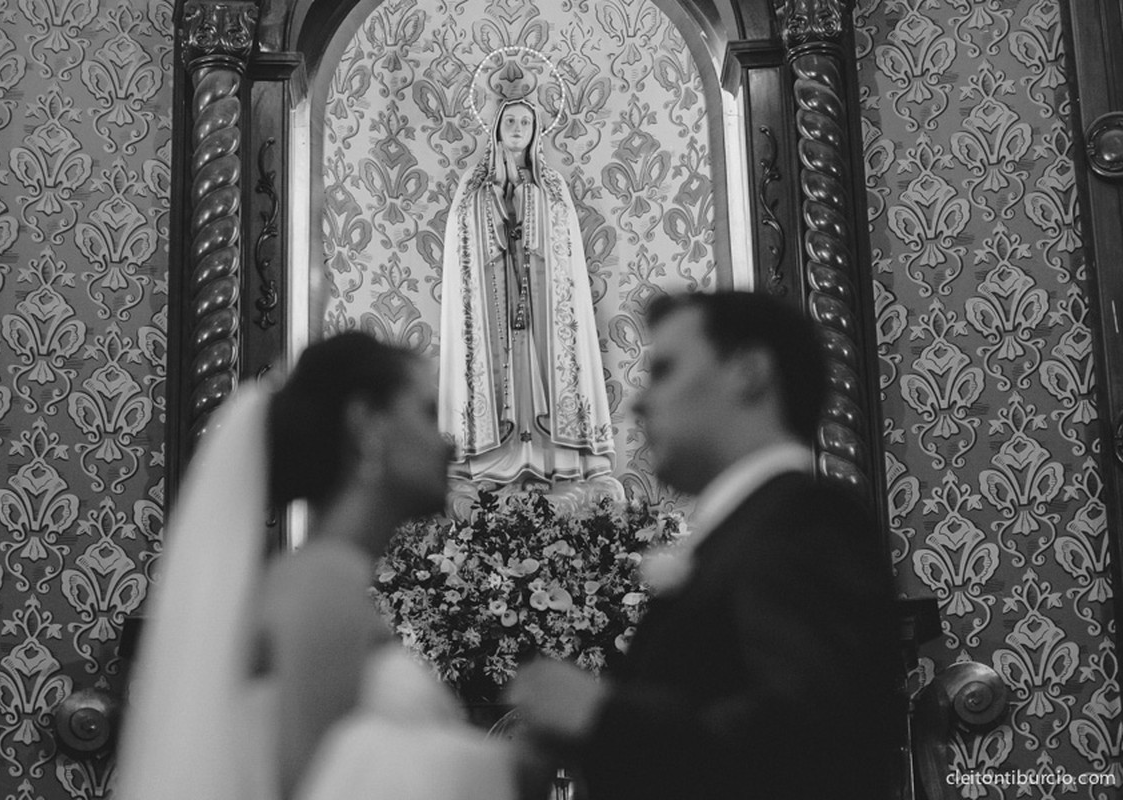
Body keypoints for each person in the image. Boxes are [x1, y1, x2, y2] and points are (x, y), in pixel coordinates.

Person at [505, 291, 899, 800]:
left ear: (748, 371)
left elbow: (812, 746)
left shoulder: (807, 524)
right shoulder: (747, 531)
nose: (638, 401)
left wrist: (601, 717)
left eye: (664, 370)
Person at [114, 332, 514, 800]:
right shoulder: (327, 581)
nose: (448, 444)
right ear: (368, 423)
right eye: (427, 413)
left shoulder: (325, 573)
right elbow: (314, 786)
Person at [438, 97, 614, 487]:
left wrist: (529, 204)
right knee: (499, 366)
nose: (518, 128)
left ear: (536, 131)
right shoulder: (476, 185)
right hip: (494, 300)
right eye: (511, 121)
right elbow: (462, 244)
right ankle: (497, 458)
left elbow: (563, 246)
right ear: (497, 127)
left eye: (526, 122)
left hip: (541, 305)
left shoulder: (550, 185)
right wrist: (499, 208)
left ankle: (552, 456)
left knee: (542, 363)